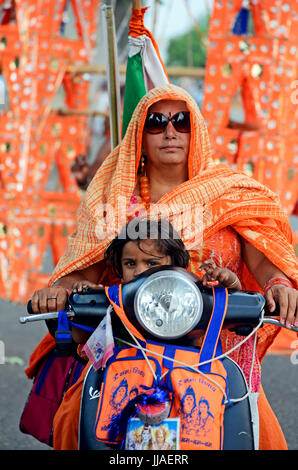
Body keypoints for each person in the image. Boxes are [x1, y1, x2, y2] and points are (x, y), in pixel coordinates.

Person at [28, 84, 297, 450]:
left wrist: (279, 284)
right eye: (156, 122)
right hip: (129, 352)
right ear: (140, 133)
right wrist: (60, 291)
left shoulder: (230, 193)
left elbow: (265, 261)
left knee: (251, 432)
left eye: (181, 121)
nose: (170, 131)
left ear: (196, 129)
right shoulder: (112, 201)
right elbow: (80, 274)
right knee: (75, 426)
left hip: (219, 354)